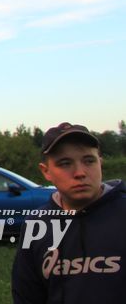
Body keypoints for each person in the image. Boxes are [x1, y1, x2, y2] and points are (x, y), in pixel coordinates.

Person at [11, 122, 125, 303]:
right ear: (46, 171)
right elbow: (27, 294)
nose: (80, 173)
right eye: (65, 163)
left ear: (100, 163)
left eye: (89, 161)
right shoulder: (36, 224)